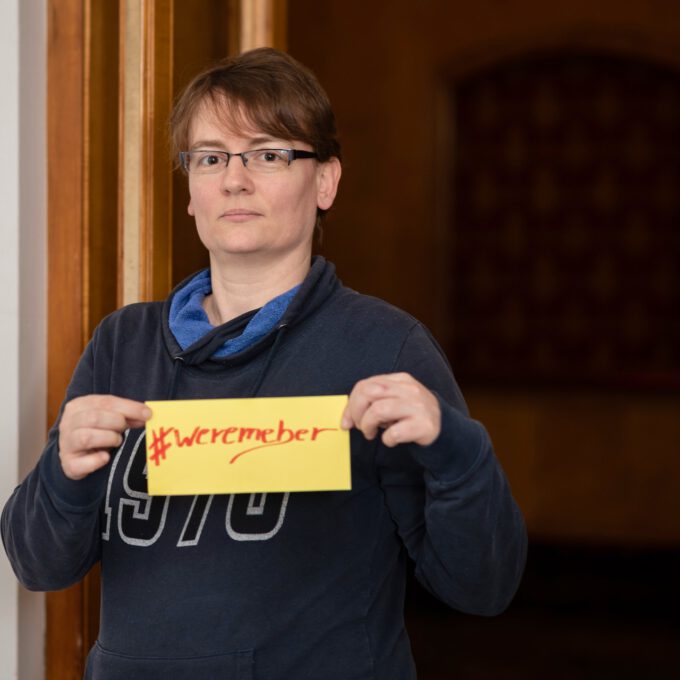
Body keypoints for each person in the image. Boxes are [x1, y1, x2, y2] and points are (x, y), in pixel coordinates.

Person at [1, 48, 527, 679]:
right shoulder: (123, 342)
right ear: (191, 190)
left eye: (268, 154)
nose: (234, 179)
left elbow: (482, 586)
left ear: (326, 181)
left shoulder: (386, 348)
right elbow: (39, 565)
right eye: (211, 157)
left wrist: (457, 453)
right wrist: (62, 474)